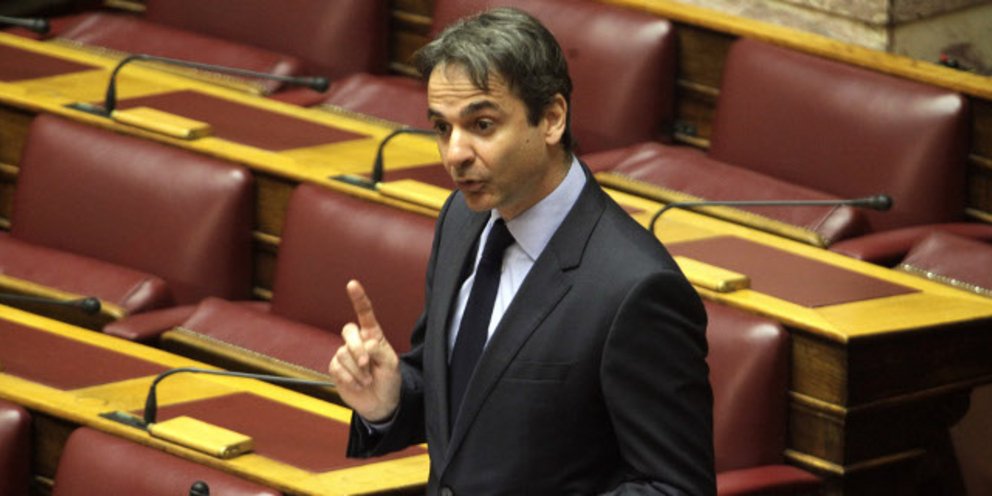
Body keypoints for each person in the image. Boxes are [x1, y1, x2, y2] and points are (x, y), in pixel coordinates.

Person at [329, 7, 714, 494]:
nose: (454, 154)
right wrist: (390, 399)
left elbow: (675, 488)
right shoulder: (461, 219)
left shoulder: (635, 289)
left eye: (482, 125)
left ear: (551, 119)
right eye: (443, 128)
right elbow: (466, 406)